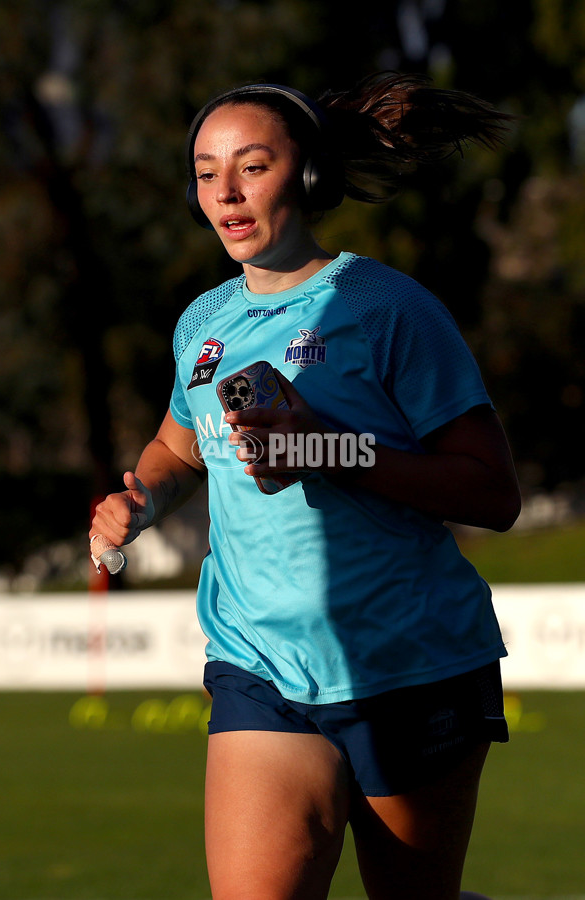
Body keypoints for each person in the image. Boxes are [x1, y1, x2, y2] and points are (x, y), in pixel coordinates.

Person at [90, 72, 521, 900]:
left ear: (311, 175)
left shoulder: (389, 307)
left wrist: (330, 451)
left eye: (252, 166)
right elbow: (177, 450)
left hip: (408, 664)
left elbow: (492, 494)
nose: (226, 192)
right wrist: (138, 500)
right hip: (259, 664)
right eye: (208, 172)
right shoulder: (201, 322)